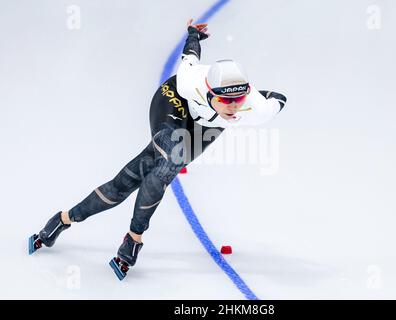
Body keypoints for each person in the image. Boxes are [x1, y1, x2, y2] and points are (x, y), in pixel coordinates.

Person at [29, 19, 287, 280]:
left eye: (238, 100)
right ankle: (133, 239)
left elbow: (279, 100)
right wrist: (194, 34)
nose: (232, 107)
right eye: (224, 99)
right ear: (209, 92)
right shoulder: (190, 81)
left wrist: (260, 96)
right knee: (164, 165)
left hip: (206, 126)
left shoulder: (254, 109)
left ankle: (64, 219)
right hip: (174, 103)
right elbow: (190, 57)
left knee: (128, 182)